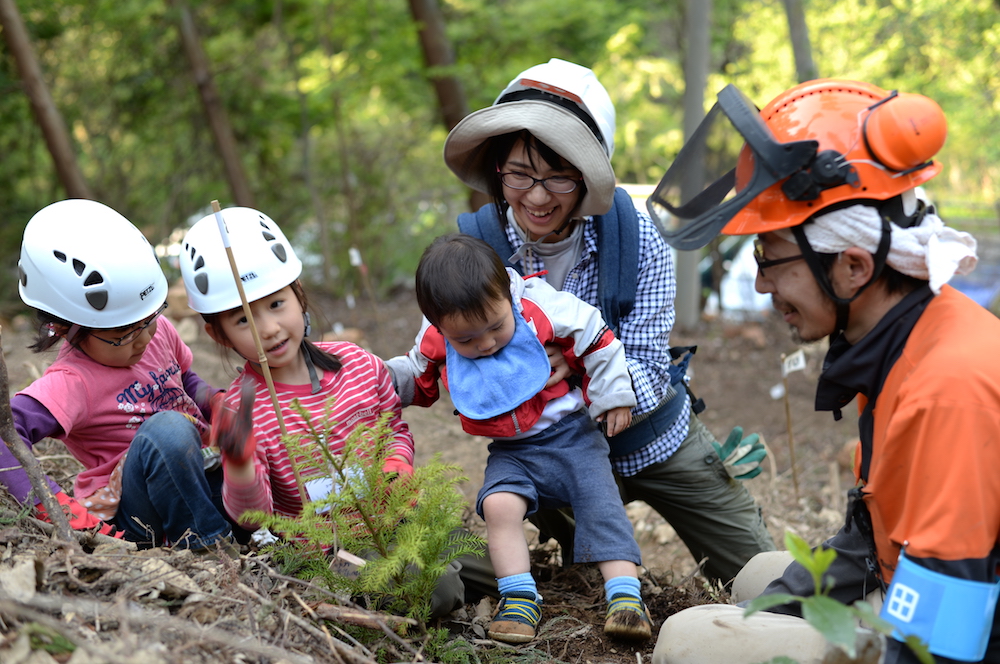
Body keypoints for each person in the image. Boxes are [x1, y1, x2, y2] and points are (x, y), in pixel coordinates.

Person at [647, 79, 996, 664]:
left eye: (770, 259)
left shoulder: (947, 388)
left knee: (688, 639)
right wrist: (772, 614)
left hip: (959, 633)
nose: (761, 284)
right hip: (926, 588)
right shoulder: (900, 340)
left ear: (853, 266)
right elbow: (872, 541)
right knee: (758, 579)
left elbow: (947, 633)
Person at [441, 57, 775, 585]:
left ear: (588, 176)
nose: (536, 195)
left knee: (765, 576)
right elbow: (453, 359)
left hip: (652, 437)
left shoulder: (639, 239)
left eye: (558, 177)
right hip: (550, 450)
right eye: (520, 173)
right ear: (496, 167)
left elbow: (646, 365)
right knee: (578, 580)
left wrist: (578, 373)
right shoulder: (477, 250)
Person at [179, 206, 491, 619]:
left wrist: (397, 461)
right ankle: (403, 596)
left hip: (396, 515)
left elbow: (392, 427)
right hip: (331, 550)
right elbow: (255, 517)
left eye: (276, 304)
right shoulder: (242, 409)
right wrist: (238, 463)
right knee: (437, 589)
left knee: (496, 568)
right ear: (217, 333)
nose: (268, 328)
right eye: (243, 319)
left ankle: (443, 578)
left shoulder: (357, 364)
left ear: (299, 295)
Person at [387, 233, 652, 643]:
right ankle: (518, 599)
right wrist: (370, 380)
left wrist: (613, 395)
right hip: (511, 450)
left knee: (600, 506)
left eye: (495, 327)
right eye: (467, 340)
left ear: (507, 297)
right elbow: (414, 375)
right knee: (497, 506)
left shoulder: (539, 307)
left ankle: (626, 600)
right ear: (440, 325)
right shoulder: (437, 337)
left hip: (572, 437)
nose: (486, 343)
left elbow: (598, 337)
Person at [1, 199, 239, 552]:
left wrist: (215, 404)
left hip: (199, 478)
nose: (144, 338)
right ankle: (210, 547)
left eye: (149, 320)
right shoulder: (72, 381)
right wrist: (48, 501)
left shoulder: (157, 333)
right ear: (64, 328)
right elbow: (7, 435)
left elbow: (183, 379)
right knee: (168, 429)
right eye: (123, 335)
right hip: (139, 515)